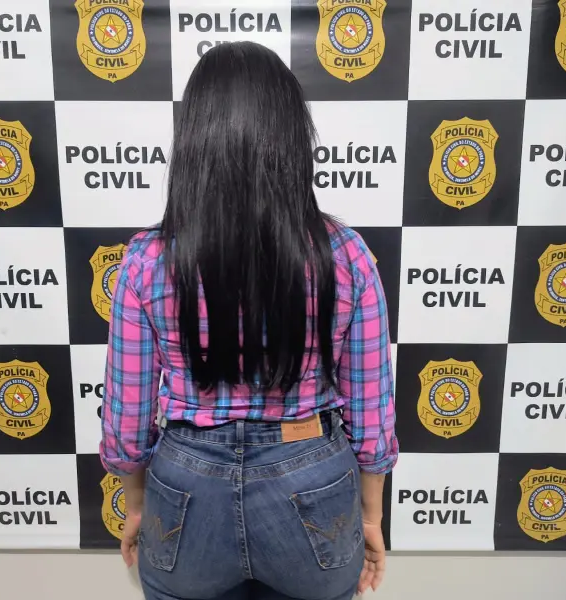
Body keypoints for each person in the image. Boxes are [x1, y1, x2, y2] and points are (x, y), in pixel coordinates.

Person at [100, 41, 397, 600]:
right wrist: (370, 517)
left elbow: (126, 416)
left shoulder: (146, 260)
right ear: (292, 136)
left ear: (195, 139)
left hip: (187, 482)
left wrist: (136, 504)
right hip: (312, 477)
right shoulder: (346, 255)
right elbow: (372, 410)